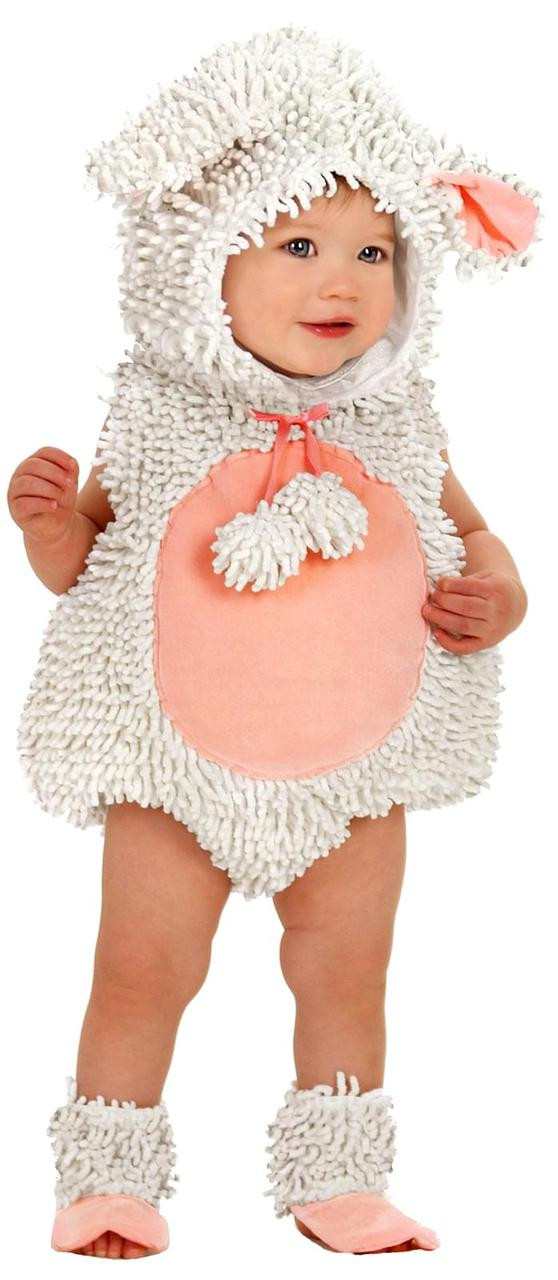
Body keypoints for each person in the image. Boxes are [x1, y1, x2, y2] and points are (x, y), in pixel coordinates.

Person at [7, 24, 541, 1258]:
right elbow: (92, 568)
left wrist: (502, 594)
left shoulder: (398, 421)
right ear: (202, 259)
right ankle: (109, 1172)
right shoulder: (159, 417)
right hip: (176, 765)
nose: (341, 280)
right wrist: (48, 526)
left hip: (354, 769)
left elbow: (471, 536)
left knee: (346, 972)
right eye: (298, 244)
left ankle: (338, 1178)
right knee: (143, 966)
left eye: (373, 250)